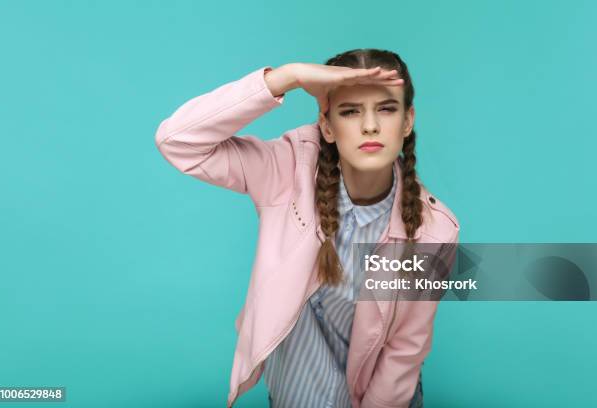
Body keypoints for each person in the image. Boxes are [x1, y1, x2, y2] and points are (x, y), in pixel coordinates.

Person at [154, 48, 460, 408]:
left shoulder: (434, 231)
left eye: (386, 109)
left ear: (408, 121)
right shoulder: (285, 169)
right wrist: (287, 77)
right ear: (326, 126)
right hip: (294, 397)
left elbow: (405, 351)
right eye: (350, 111)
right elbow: (177, 141)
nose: (370, 125)